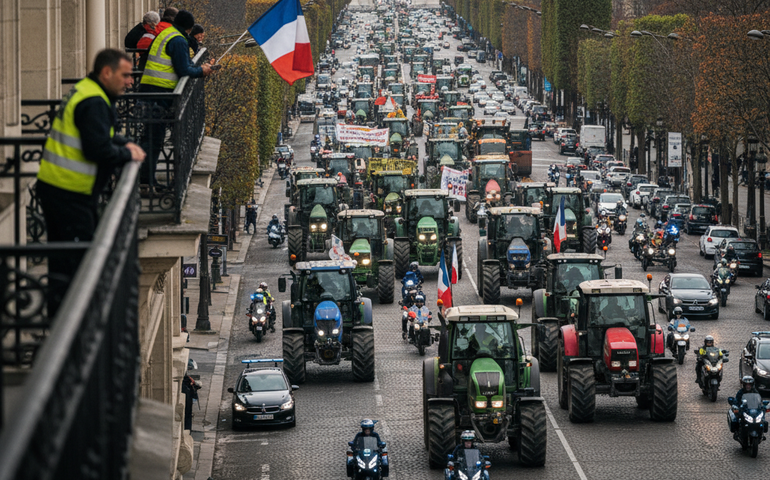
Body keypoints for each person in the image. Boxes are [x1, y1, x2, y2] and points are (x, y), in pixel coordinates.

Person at [37, 49, 146, 317]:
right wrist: (126, 153)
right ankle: (71, 320)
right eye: (125, 75)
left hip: (58, 186)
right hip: (70, 191)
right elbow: (97, 149)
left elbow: (101, 134)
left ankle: (60, 314)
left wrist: (123, 143)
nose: (130, 81)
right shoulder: (95, 102)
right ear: (106, 73)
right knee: (78, 262)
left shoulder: (87, 90)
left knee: (62, 260)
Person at [138, 9, 216, 191]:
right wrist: (201, 71)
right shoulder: (179, 40)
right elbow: (183, 69)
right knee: (154, 138)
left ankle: (144, 177)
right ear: (189, 29)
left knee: (149, 136)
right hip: (161, 92)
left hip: (149, 88)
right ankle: (145, 180)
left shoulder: (166, 33)